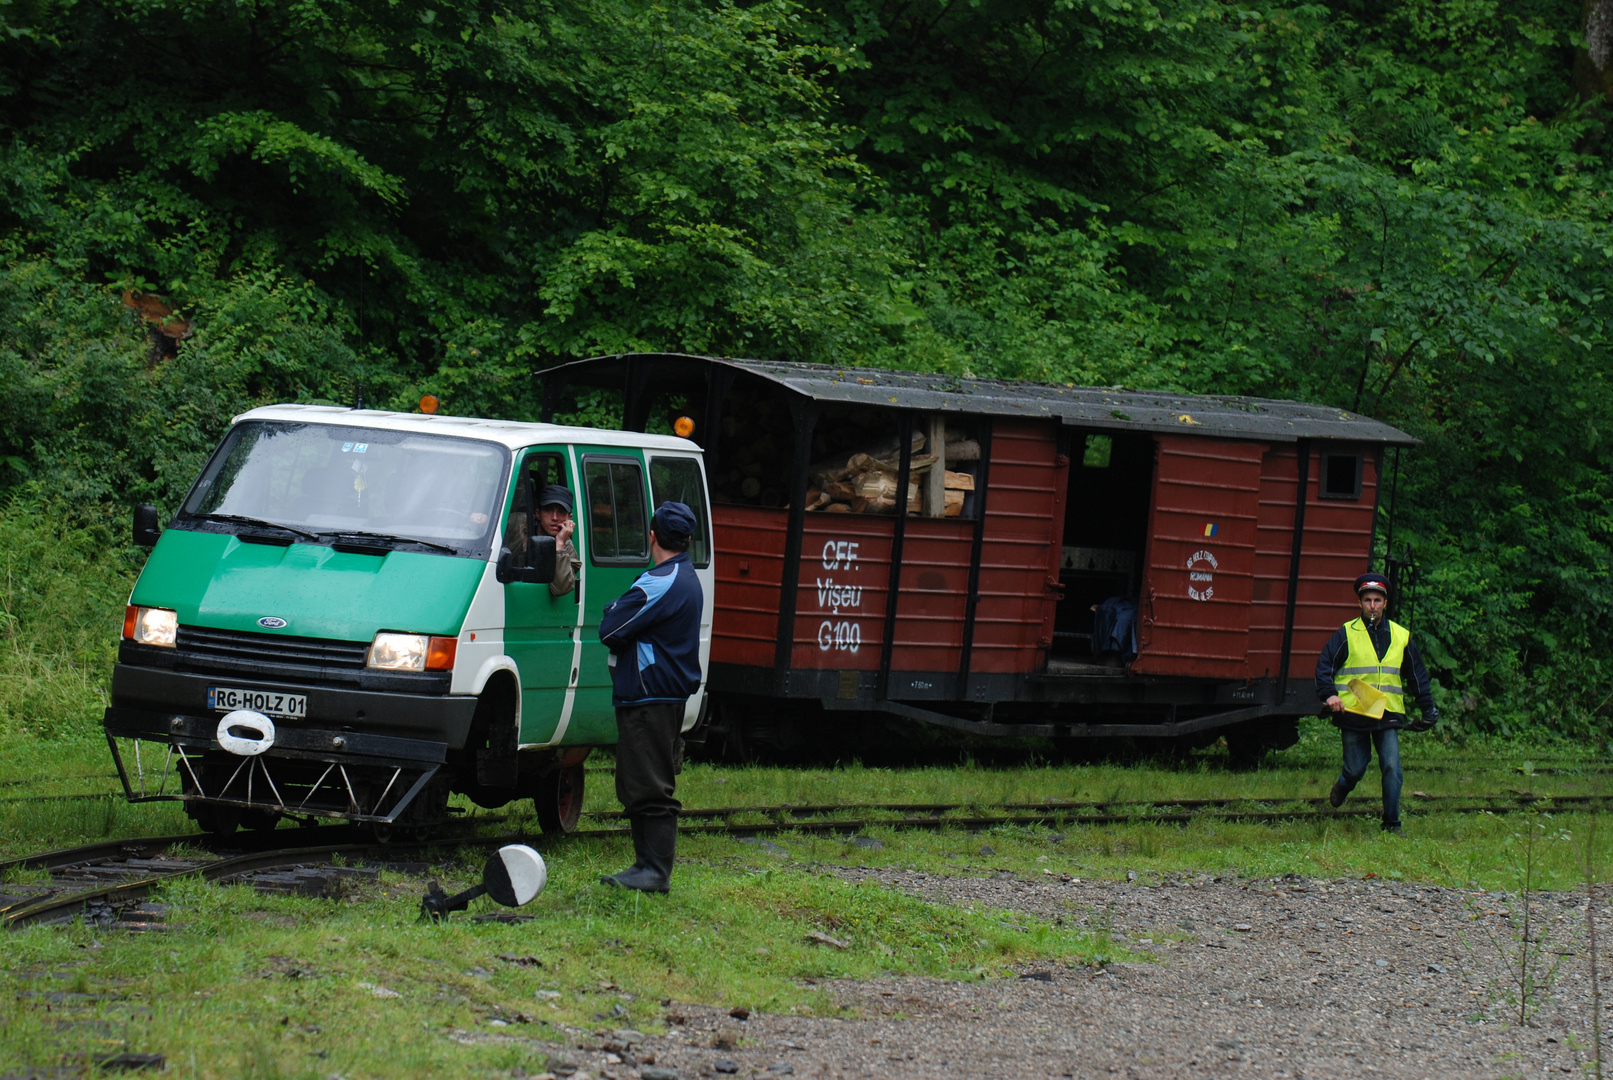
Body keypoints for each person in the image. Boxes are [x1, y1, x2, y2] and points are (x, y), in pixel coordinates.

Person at [598, 501, 704, 893]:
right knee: (638, 781)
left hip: (650, 695)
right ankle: (645, 865)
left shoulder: (659, 581)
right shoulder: (685, 576)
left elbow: (610, 627)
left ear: (653, 535)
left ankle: (654, 871)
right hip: (658, 694)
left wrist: (616, 610)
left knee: (650, 784)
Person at [1315, 572, 1438, 836]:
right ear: (1360, 603)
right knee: (1355, 768)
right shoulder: (1346, 634)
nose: (1372, 605)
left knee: (1392, 766)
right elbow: (1325, 666)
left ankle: (1392, 824)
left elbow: (1417, 676)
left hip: (1387, 713)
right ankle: (1344, 784)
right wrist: (1329, 695)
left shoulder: (1401, 636)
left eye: (1377, 600)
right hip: (1354, 712)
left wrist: (1428, 708)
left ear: (1385, 603)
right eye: (1368, 600)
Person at [536, 485, 581, 597]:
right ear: (538, 514)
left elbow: (560, 589)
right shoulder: (517, 526)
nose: (555, 517)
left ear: (569, 518)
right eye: (548, 510)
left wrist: (560, 544)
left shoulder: (567, 547)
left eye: (561, 512)